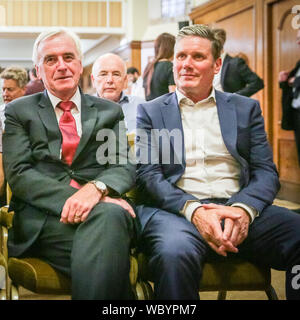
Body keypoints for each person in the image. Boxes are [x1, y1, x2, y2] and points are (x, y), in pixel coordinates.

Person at [135, 24, 300, 300]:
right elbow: (149, 175)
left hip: (238, 208)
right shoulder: (151, 112)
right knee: (174, 253)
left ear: (216, 65)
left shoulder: (245, 108)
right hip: (179, 213)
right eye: (181, 56)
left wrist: (244, 209)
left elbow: (265, 172)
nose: (186, 64)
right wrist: (196, 211)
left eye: (197, 57)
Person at [3, 27, 136, 300]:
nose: (62, 66)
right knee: (111, 247)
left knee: (107, 227)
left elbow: (122, 165)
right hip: (45, 220)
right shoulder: (19, 111)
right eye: (51, 60)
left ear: (80, 64)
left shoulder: (109, 112)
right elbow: (19, 174)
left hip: (103, 215)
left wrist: (96, 189)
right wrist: (83, 198)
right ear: (38, 71)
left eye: (68, 57)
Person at [91, 53, 145, 133]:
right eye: (103, 74)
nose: (110, 80)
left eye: (116, 74)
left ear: (125, 80)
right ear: (93, 80)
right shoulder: (82, 109)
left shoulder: (141, 106)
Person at [213, 28, 264, 97]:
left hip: (231, 106)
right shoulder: (207, 64)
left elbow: (257, 83)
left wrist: (235, 97)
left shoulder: (236, 63)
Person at [279, 28, 300, 166]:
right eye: (297, 39)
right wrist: (283, 80)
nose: (298, 42)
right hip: (297, 115)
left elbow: (295, 82)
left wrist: (296, 81)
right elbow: (289, 84)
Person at [143, 32, 176, 101]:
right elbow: (173, 96)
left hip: (150, 108)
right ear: (172, 49)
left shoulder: (149, 66)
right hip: (164, 109)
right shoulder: (169, 66)